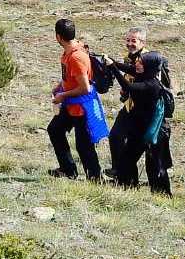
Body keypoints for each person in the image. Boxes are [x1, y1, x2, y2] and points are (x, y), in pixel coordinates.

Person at [108, 33, 173, 194]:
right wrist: (111, 62)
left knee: (156, 166)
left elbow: (128, 87)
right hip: (139, 128)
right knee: (126, 160)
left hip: (153, 131)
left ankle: (162, 197)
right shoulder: (143, 74)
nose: (137, 64)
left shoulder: (151, 84)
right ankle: (127, 188)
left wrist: (112, 68)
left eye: (141, 63)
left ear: (149, 66)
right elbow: (127, 68)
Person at [46, 18, 101, 181]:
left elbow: (85, 87)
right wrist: (59, 86)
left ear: (58, 37)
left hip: (81, 107)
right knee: (55, 130)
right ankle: (68, 169)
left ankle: (95, 178)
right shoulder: (72, 49)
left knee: (84, 145)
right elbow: (71, 76)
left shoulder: (76, 57)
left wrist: (62, 95)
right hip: (71, 105)